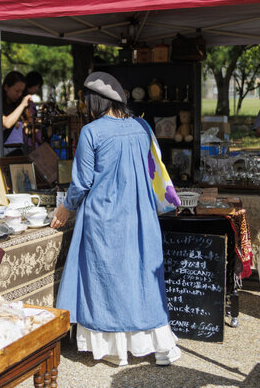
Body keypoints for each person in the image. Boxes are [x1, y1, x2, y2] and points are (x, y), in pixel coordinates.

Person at [51, 72, 181, 367]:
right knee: (142, 277)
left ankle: (115, 351)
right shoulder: (142, 126)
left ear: (95, 101)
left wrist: (65, 208)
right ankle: (159, 346)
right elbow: (153, 169)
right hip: (141, 214)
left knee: (107, 280)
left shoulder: (92, 132)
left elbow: (82, 183)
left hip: (104, 215)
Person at [0, 71, 32, 156]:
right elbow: (6, 123)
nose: (19, 94)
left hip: (19, 150)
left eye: (22, 91)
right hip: (2, 151)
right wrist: (22, 104)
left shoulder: (16, 106)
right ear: (6, 87)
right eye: (17, 91)